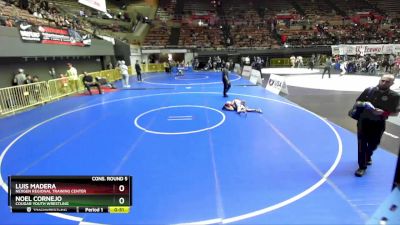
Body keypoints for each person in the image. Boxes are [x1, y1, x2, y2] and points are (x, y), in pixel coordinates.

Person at [353, 74, 399, 177]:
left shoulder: (394, 96)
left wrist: (383, 113)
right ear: (380, 80)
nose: (384, 83)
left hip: (379, 123)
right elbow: (357, 102)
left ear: (392, 83)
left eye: (387, 82)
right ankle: (362, 167)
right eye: (383, 80)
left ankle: (368, 155)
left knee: (374, 144)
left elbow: (395, 113)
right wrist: (364, 104)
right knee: (362, 144)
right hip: (363, 121)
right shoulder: (369, 90)